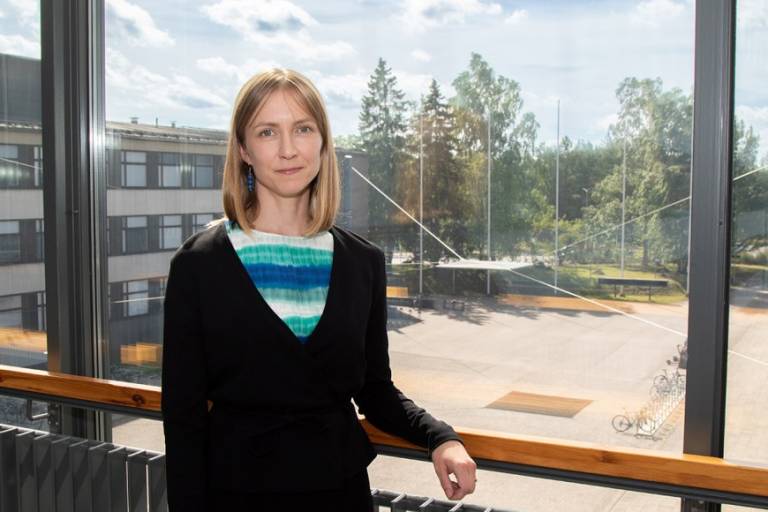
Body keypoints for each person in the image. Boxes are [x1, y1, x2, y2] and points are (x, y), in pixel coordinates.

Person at [161, 68, 477, 511]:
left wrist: (440, 438)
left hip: (341, 495)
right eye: (267, 131)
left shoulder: (362, 262)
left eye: (303, 129)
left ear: (324, 143)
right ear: (244, 150)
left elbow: (375, 391)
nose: (288, 149)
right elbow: (183, 419)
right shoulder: (199, 264)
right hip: (235, 497)